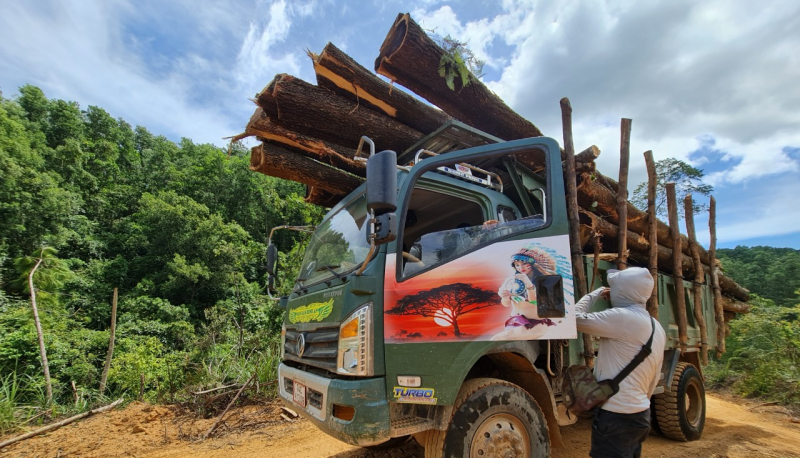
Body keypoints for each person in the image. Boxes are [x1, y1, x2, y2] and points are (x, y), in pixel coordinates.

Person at [575, 267, 666, 458]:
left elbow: (573, 318)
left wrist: (597, 292)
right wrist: (638, 403)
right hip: (640, 415)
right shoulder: (656, 326)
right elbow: (654, 376)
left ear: (622, 291)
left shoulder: (622, 317)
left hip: (616, 417)